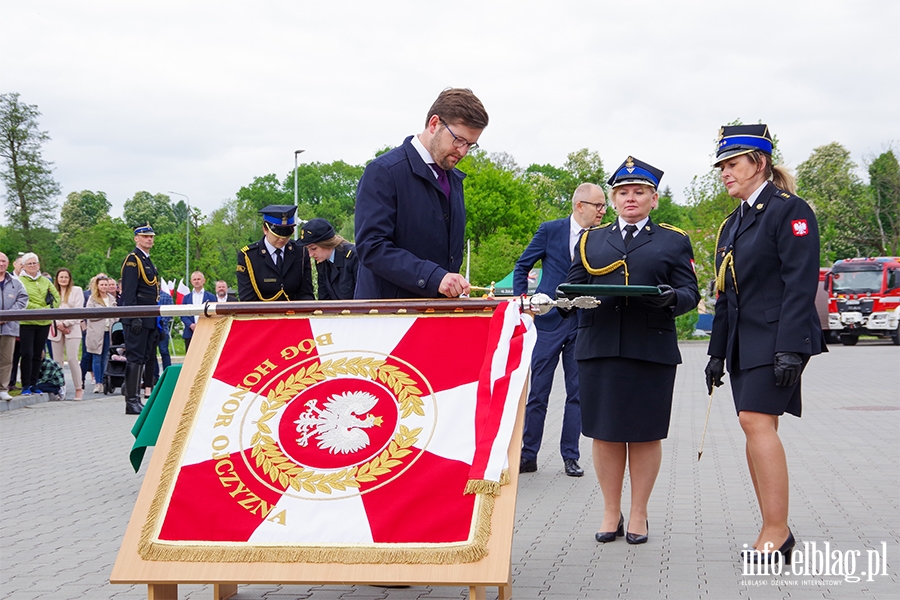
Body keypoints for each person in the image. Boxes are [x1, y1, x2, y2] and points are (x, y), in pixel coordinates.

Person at [704, 124, 824, 564]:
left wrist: (791, 346)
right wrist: (717, 351)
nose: (724, 174)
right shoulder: (734, 221)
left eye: (732, 164)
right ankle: (773, 526)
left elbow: (800, 282)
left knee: (757, 421)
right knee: (753, 425)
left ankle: (777, 531)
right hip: (742, 339)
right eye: (721, 167)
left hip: (777, 336)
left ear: (760, 162)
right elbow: (725, 292)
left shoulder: (788, 211)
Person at [565, 157, 699, 545]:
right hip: (600, 345)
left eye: (639, 191)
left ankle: (638, 512)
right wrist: (572, 298)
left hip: (649, 348)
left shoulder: (673, 240)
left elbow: (691, 292)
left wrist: (672, 298)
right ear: (613, 198)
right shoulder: (591, 238)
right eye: (622, 192)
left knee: (643, 434)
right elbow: (572, 286)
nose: (630, 198)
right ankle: (611, 510)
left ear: (653, 198)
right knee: (604, 434)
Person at [354, 88, 489, 299]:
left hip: (436, 317)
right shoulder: (384, 171)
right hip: (389, 319)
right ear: (434, 124)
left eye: (470, 145)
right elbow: (372, 247)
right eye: (459, 140)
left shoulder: (454, 180)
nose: (463, 152)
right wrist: (435, 278)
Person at [514, 183, 608, 478]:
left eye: (604, 206)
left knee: (577, 393)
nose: (604, 211)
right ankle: (528, 455)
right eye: (598, 206)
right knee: (538, 393)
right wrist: (524, 306)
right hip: (548, 323)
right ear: (580, 206)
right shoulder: (550, 230)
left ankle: (571, 456)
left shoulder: (601, 237)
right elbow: (522, 266)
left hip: (582, 323)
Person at [120, 223, 160, 414]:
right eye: (145, 236)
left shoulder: (147, 260)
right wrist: (133, 315)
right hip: (138, 316)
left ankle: (135, 397)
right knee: (134, 358)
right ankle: (131, 400)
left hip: (149, 315)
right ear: (136, 238)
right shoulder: (133, 260)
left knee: (143, 357)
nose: (149, 239)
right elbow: (128, 292)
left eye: (151, 236)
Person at [236, 205, 314, 302]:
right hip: (262, 314)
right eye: (277, 234)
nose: (282, 239)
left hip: (294, 313)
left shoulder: (300, 251)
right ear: (265, 229)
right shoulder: (248, 256)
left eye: (286, 234)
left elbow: (306, 293)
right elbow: (247, 298)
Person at [17, 252, 60, 396]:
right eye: (29, 264)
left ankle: (34, 383)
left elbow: (56, 298)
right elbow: (22, 301)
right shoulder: (19, 281)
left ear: (39, 265)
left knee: (38, 354)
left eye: (34, 263)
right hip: (26, 322)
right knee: (27, 353)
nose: (32, 266)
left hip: (44, 322)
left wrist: (47, 310)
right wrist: (40, 309)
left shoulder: (46, 281)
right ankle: (25, 384)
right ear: (23, 266)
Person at [298, 218, 360, 300]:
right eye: (307, 249)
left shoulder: (354, 257)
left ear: (327, 244)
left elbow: (362, 297)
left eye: (313, 248)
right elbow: (324, 298)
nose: (310, 255)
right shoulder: (322, 261)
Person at [49, 268, 84, 400]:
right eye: (61, 277)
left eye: (66, 277)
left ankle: (78, 388)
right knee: (57, 361)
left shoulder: (77, 290)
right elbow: (49, 308)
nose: (63, 279)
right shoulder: (52, 291)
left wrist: (66, 324)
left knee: (72, 359)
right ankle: (60, 388)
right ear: (56, 278)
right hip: (55, 328)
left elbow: (79, 309)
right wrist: (59, 324)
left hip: (72, 328)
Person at [0, 252, 28, 401]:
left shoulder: (15, 282)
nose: (1, 264)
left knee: (6, 359)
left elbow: (23, 299)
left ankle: (3, 389)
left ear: (8, 263)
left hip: (9, 327)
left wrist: (8, 315)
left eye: (4, 261)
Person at [85, 275, 117, 393]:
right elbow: (89, 315)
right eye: (102, 285)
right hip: (96, 332)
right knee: (96, 358)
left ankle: (104, 381)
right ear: (97, 286)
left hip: (109, 331)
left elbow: (116, 314)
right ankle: (97, 383)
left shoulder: (111, 298)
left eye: (106, 284)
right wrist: (104, 314)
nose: (104, 287)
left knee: (105, 357)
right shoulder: (92, 299)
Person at [180, 271, 216, 353]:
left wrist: (202, 325)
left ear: (204, 281)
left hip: (206, 331)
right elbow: (183, 315)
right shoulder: (186, 298)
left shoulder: (211, 297)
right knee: (190, 357)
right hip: (190, 332)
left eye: (199, 279)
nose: (196, 281)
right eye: (194, 279)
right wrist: (191, 325)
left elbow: (214, 314)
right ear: (191, 282)